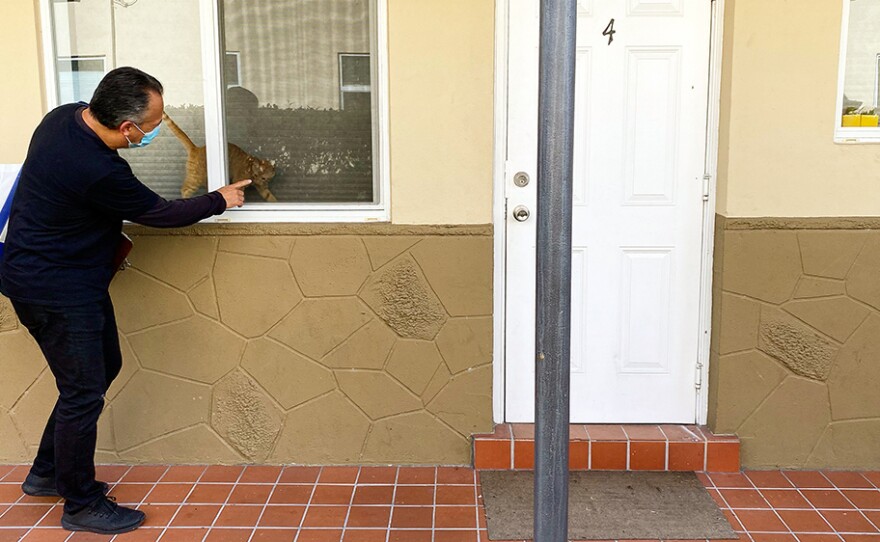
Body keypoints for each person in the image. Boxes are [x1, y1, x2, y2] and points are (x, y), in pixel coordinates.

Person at [0, 67, 250, 535]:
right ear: (126, 127)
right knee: (83, 391)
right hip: (56, 290)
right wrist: (219, 199)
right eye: (154, 124)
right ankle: (80, 502)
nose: (158, 128)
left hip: (51, 280)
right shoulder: (96, 168)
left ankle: (46, 472)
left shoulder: (62, 119)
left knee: (98, 370)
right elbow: (158, 212)